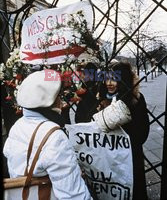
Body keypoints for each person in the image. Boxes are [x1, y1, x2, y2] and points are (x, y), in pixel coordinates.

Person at [3, 70, 91, 199]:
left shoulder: (18, 125)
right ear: (50, 101)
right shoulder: (54, 136)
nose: (61, 101)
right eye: (58, 96)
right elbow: (73, 195)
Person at [97, 61, 150, 200]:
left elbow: (143, 132)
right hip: (108, 157)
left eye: (114, 79)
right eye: (107, 78)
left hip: (129, 157)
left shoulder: (136, 100)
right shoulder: (102, 99)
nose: (109, 83)